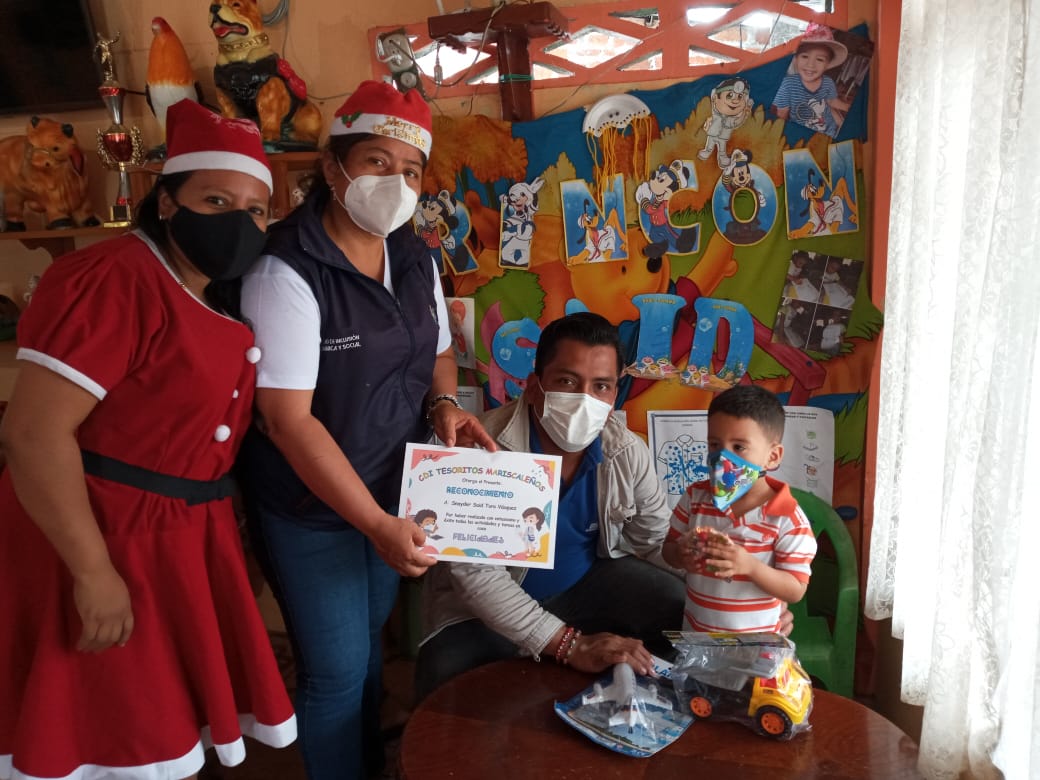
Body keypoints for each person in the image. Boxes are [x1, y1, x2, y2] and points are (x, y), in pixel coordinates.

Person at [0, 99, 296, 780]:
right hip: (102, 531)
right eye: (216, 200)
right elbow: (34, 434)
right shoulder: (115, 279)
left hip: (172, 535)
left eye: (255, 210)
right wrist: (92, 570)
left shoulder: (206, 291)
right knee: (105, 729)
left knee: (155, 726)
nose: (238, 221)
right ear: (166, 203)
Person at [235, 80, 494, 780]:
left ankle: (369, 763)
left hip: (391, 490)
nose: (396, 183)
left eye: (410, 171)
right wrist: (376, 525)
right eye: (377, 162)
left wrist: (445, 406)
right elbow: (286, 420)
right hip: (311, 507)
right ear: (332, 168)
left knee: (371, 648)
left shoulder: (413, 255)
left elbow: (438, 351)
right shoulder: (285, 270)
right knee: (336, 672)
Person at [416, 312, 690, 701]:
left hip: (583, 585)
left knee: (681, 607)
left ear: (614, 395)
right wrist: (569, 644)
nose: (584, 400)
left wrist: (725, 583)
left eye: (601, 386)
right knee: (445, 684)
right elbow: (476, 575)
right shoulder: (481, 447)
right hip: (481, 608)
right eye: (567, 382)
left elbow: (655, 540)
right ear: (533, 387)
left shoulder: (626, 451)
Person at [662, 385, 817, 633]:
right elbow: (668, 549)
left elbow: (795, 589)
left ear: (773, 456)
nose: (723, 457)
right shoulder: (694, 498)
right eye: (715, 444)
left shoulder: (788, 518)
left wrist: (751, 566)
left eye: (739, 447)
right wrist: (680, 555)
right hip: (698, 638)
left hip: (756, 645)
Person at [771, 23, 849, 138]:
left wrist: (847, 109)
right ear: (795, 59)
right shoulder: (787, 85)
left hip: (829, 132)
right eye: (805, 56)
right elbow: (781, 114)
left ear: (828, 65)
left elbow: (831, 102)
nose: (810, 65)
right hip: (801, 135)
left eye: (819, 59)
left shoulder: (827, 82)